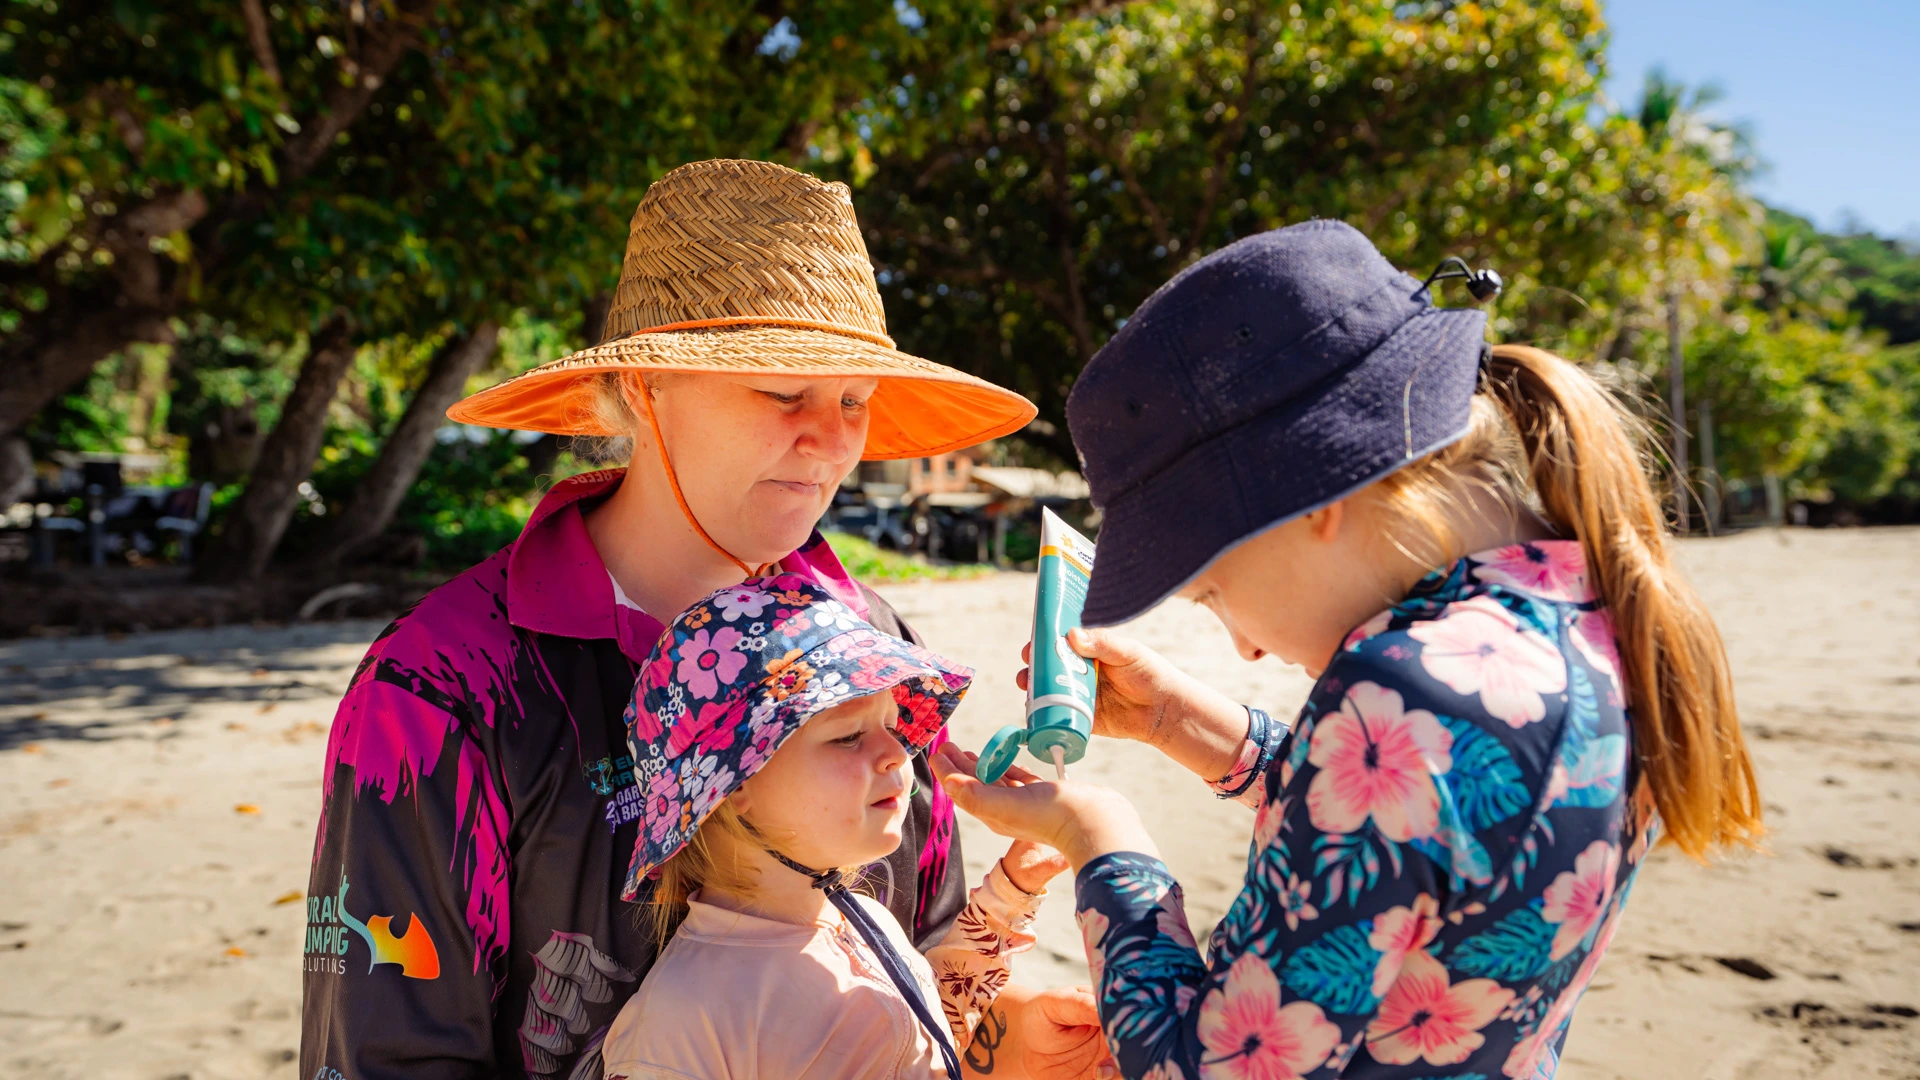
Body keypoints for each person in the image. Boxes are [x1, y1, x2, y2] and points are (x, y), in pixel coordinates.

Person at [301, 158, 1107, 1079]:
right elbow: (386, 1057)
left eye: (853, 399)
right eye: (783, 392)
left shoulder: (876, 647)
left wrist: (1009, 1034)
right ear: (644, 390)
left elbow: (907, 967)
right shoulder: (444, 690)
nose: (834, 439)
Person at [932, 220, 1763, 1079]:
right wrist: (1178, 719)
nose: (1244, 646)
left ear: (1309, 500)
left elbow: (1208, 1070)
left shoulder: (1398, 692)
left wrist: (1101, 840)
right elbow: (1417, 827)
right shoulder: (1586, 608)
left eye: (1214, 591)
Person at [603, 576, 1072, 1079]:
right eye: (849, 736)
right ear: (733, 786)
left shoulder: (863, 919)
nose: (898, 753)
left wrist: (1013, 889)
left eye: (892, 726)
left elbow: (932, 1044)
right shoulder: (685, 1020)